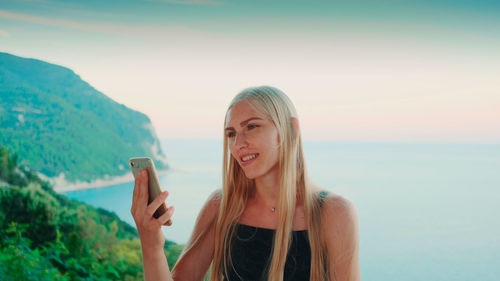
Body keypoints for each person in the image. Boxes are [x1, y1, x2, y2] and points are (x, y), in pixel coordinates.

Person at [131, 86, 360, 281]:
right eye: (231, 134)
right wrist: (151, 244)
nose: (238, 144)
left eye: (252, 127)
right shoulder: (222, 206)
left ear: (290, 129)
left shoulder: (334, 213)